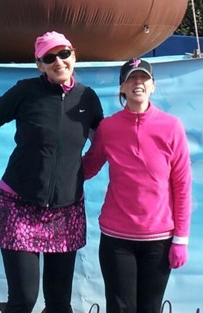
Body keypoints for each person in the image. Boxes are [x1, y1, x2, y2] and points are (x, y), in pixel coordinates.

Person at [0, 31, 104, 313]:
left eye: (63, 54)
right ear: (39, 65)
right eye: (49, 58)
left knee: (59, 304)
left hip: (66, 211)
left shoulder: (88, 98)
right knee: (23, 299)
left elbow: (106, 143)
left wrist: (81, 173)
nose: (58, 62)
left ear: (74, 55)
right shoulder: (25, 92)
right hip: (19, 205)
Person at [82, 57, 192, 313]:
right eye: (131, 78)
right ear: (122, 88)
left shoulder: (172, 127)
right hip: (116, 240)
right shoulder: (108, 127)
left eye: (143, 78)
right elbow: (89, 166)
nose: (137, 83)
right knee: (120, 308)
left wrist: (181, 240)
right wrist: (55, 169)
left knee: (149, 309)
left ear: (153, 85)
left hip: (159, 240)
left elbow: (183, 186)